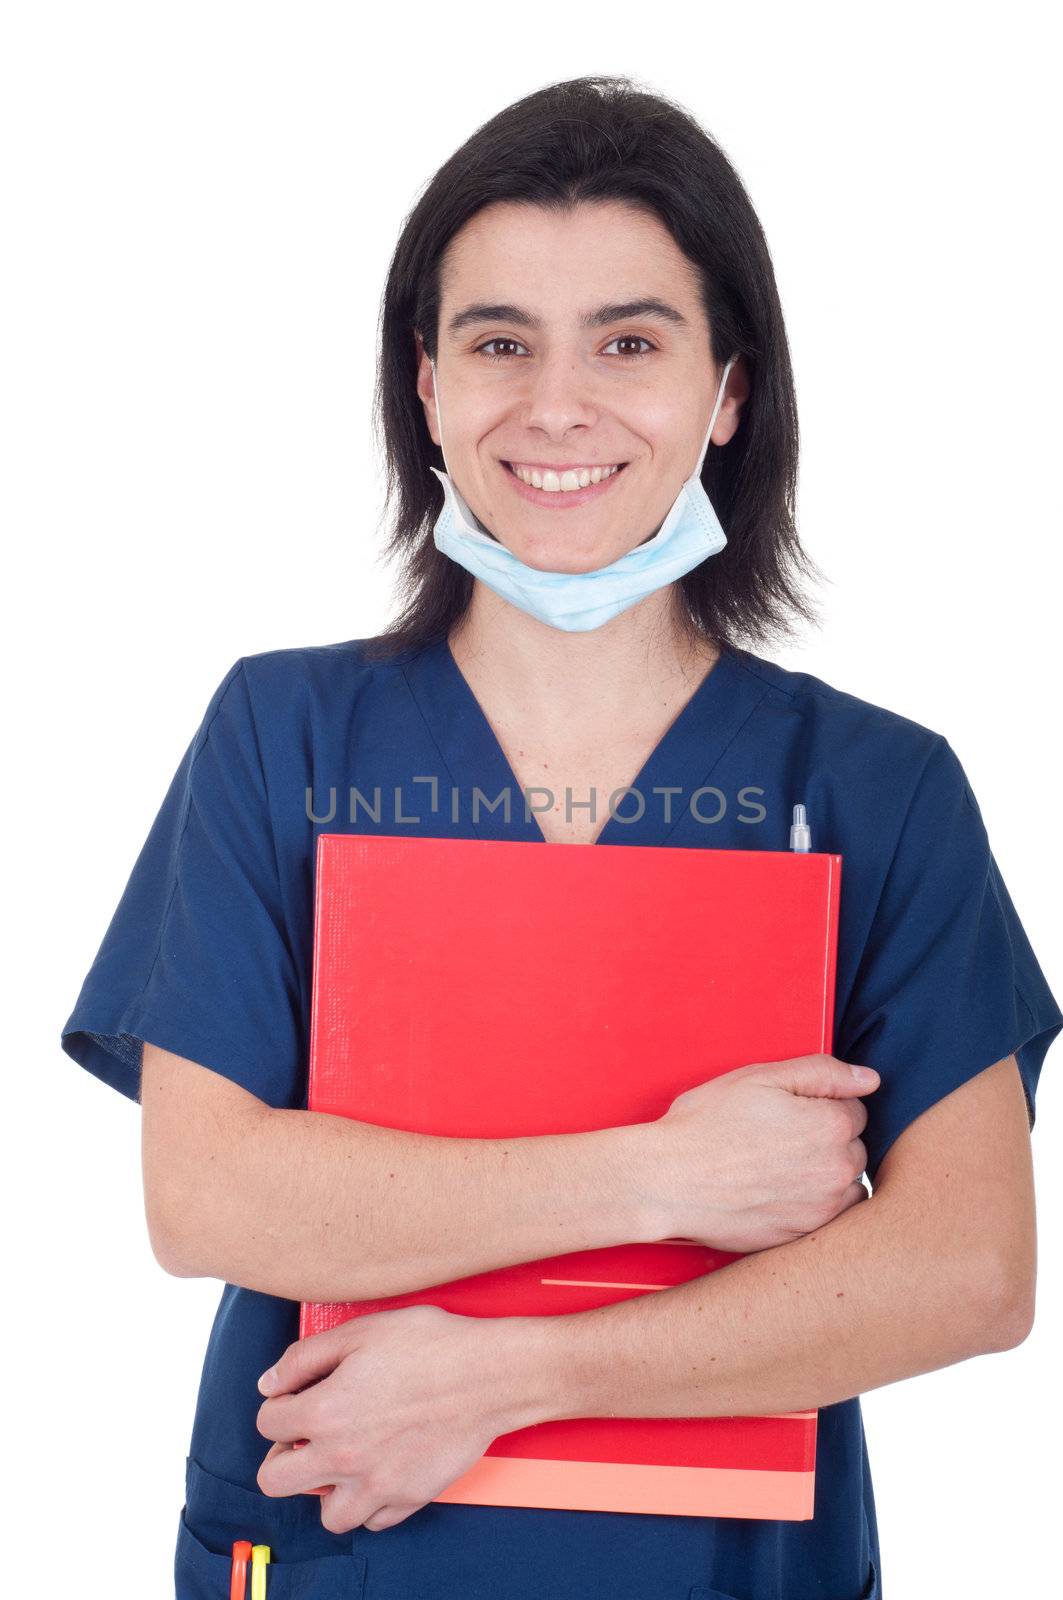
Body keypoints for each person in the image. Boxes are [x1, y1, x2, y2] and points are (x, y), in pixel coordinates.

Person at [61, 75, 1061, 1600]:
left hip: (724, 1564)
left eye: (631, 342)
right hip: (346, 1548)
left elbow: (970, 1273)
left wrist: (508, 1374)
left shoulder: (874, 787)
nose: (557, 405)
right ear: (428, 385)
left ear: (729, 391)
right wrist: (660, 1179)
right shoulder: (284, 739)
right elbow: (207, 1198)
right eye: (500, 342)